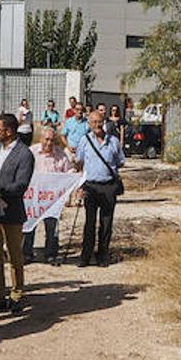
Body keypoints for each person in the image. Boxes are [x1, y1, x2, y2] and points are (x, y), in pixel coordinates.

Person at [0, 113, 34, 312]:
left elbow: (21, 185)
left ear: (8, 131)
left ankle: (17, 293)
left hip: (12, 211)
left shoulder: (25, 154)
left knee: (15, 256)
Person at [74, 108, 125, 267]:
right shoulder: (84, 140)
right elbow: (79, 162)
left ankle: (103, 256)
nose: (97, 125)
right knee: (89, 223)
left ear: (104, 123)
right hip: (91, 186)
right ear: (89, 124)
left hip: (108, 186)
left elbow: (120, 161)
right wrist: (80, 186)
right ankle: (85, 256)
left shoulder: (113, 141)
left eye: (99, 122)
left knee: (106, 222)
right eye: (94, 122)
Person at [25, 124, 72, 266]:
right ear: (40, 139)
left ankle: (51, 255)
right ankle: (26, 254)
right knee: (30, 226)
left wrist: (75, 177)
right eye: (46, 139)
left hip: (53, 199)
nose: (49, 143)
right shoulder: (31, 152)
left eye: (52, 140)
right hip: (34, 198)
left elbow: (68, 172)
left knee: (52, 228)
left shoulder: (60, 154)